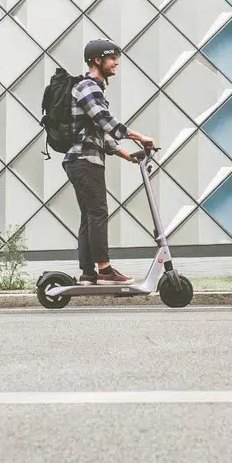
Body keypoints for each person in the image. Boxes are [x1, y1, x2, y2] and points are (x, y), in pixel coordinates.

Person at [63, 38, 155, 286]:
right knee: (98, 213)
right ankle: (104, 271)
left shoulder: (94, 88)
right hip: (84, 160)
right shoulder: (88, 87)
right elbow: (105, 121)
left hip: (82, 159)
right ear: (97, 60)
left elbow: (100, 134)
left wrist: (127, 155)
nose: (116, 63)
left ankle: (88, 273)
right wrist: (139, 136)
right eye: (112, 58)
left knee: (89, 215)